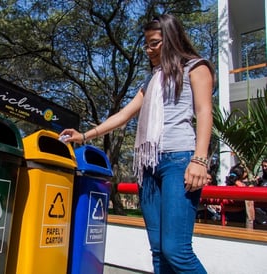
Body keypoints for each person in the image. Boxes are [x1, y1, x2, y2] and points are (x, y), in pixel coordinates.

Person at [60, 14, 214, 274]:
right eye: (146, 44)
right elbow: (124, 115)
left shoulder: (196, 68)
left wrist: (199, 160)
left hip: (179, 161)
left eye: (154, 43)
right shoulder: (151, 79)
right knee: (158, 252)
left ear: (171, 39)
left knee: (176, 250)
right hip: (148, 166)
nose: (149, 50)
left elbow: (205, 111)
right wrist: (84, 135)